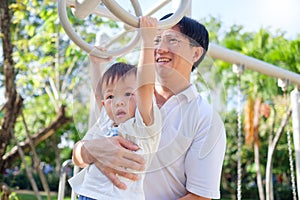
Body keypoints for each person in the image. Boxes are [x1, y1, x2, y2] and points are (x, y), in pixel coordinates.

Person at [73, 13, 226, 200]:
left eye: (172, 40)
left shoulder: (206, 118)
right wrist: (90, 150)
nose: (160, 48)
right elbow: (78, 157)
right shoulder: (125, 100)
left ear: (195, 53)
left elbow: (199, 196)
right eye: (156, 39)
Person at [69, 16, 161, 200]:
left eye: (128, 94)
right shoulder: (108, 121)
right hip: (87, 194)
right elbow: (99, 94)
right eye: (112, 97)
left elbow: (145, 86)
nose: (119, 101)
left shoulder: (143, 125)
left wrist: (148, 41)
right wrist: (95, 64)